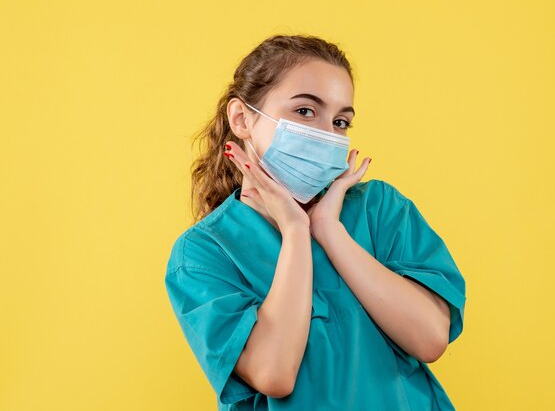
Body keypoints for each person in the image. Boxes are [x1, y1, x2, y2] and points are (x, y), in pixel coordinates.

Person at [164, 34, 467, 411]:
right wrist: (295, 230)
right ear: (241, 118)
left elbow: (430, 338)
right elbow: (274, 372)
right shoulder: (204, 253)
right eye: (305, 112)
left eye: (341, 121)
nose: (327, 134)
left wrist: (329, 230)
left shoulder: (379, 209)